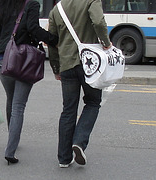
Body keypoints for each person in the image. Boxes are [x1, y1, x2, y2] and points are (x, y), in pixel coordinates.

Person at [0, 0, 58, 165]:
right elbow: (33, 29)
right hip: (23, 61)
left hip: (4, 61)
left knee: (11, 99)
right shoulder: (32, 4)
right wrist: (53, 40)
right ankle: (10, 150)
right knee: (18, 106)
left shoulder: (4, 6)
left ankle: (11, 139)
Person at [48, 0, 112, 168]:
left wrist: (56, 67)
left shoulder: (57, 9)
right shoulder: (91, 1)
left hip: (67, 64)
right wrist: (106, 43)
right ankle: (79, 141)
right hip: (90, 65)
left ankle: (63, 158)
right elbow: (98, 21)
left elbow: (52, 41)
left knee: (68, 109)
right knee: (92, 102)